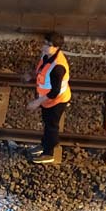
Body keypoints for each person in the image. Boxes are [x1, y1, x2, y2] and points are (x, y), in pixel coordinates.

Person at [24, 31, 71, 164]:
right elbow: (42, 69)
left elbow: (54, 92)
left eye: (48, 44)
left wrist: (37, 102)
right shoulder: (48, 55)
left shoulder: (58, 67)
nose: (44, 46)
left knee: (52, 126)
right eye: (44, 43)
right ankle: (45, 144)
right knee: (47, 123)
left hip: (56, 101)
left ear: (56, 47)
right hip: (47, 99)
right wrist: (32, 75)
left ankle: (48, 153)